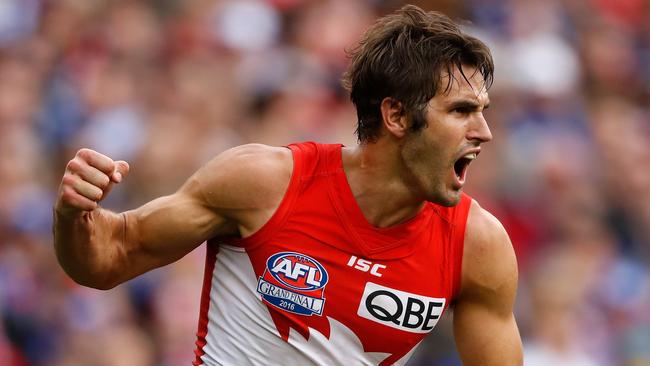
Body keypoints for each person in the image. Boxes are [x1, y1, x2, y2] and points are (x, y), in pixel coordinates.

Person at [53, 5, 522, 365]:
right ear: (396, 115)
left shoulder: (477, 245)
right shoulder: (266, 182)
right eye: (461, 111)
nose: (484, 131)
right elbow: (107, 259)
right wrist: (75, 214)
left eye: (483, 111)